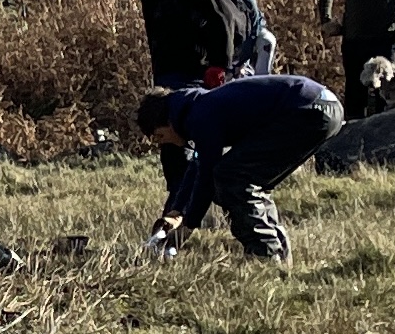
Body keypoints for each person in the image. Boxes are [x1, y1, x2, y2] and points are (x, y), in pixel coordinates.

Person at [141, 73, 345, 264]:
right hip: (324, 106)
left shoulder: (200, 116)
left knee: (231, 176)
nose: (166, 142)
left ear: (168, 121)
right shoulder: (198, 107)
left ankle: (265, 254)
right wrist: (177, 210)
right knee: (250, 181)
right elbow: (198, 163)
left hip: (306, 111)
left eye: (160, 136)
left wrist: (189, 225)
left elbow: (206, 177)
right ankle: (277, 254)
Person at [118, 0, 239, 202]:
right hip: (167, 78)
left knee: (190, 139)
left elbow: (222, 17)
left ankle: (190, 203)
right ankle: (182, 200)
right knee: (171, 142)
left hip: (199, 72)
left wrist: (220, 63)